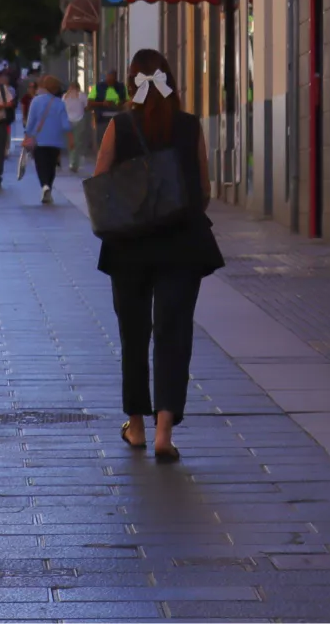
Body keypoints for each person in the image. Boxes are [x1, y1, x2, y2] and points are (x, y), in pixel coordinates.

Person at [95, 50, 222, 463]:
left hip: (129, 247)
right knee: (174, 334)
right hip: (181, 244)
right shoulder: (188, 126)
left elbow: (100, 183)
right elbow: (204, 188)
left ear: (132, 84)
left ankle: (136, 426)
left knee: (134, 336)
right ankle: (164, 431)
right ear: (170, 80)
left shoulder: (119, 125)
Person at [22, 75, 73, 204]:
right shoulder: (60, 104)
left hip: (39, 140)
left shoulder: (36, 101)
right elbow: (66, 125)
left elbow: (31, 122)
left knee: (41, 165)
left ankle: (44, 185)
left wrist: (27, 135)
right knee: (51, 165)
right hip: (56, 141)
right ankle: (48, 186)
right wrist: (70, 139)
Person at [89, 69, 126, 152]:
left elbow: (126, 101)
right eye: (110, 78)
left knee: (116, 142)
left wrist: (119, 104)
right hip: (102, 119)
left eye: (113, 79)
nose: (111, 81)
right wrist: (103, 103)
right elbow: (90, 103)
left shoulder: (121, 87)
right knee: (102, 141)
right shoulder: (98, 87)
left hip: (118, 118)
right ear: (106, 77)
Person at [62, 78, 90, 173]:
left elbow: (62, 108)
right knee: (77, 142)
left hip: (69, 121)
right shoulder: (81, 95)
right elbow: (87, 107)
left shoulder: (65, 96)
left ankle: (73, 162)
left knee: (72, 142)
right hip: (79, 120)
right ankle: (74, 163)